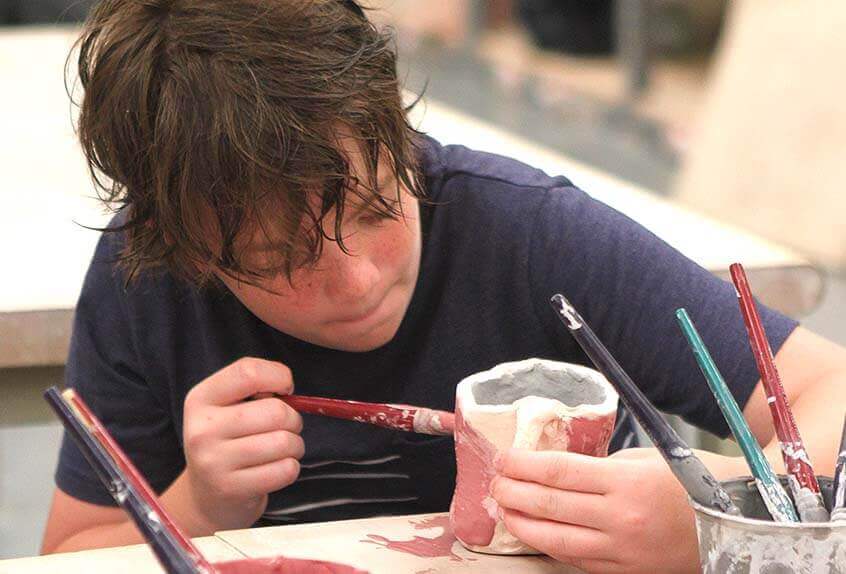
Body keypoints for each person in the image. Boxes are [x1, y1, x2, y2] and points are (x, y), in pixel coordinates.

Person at [41, 1, 846, 572]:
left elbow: (828, 387)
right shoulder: (143, 288)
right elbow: (68, 557)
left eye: (375, 203)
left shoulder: (528, 234)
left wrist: (717, 520)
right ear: (187, 254)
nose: (355, 278)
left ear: (396, 129)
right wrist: (198, 506)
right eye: (279, 257)